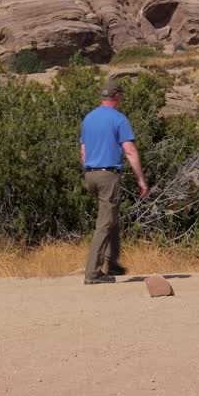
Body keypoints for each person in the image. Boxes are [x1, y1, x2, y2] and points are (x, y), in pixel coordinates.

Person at [79, 79, 148, 285]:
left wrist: (90, 169)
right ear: (117, 96)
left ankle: (113, 263)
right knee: (105, 223)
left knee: (112, 218)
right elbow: (129, 150)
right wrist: (141, 179)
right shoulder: (119, 119)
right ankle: (93, 273)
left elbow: (83, 151)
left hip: (90, 174)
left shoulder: (88, 118)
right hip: (108, 175)